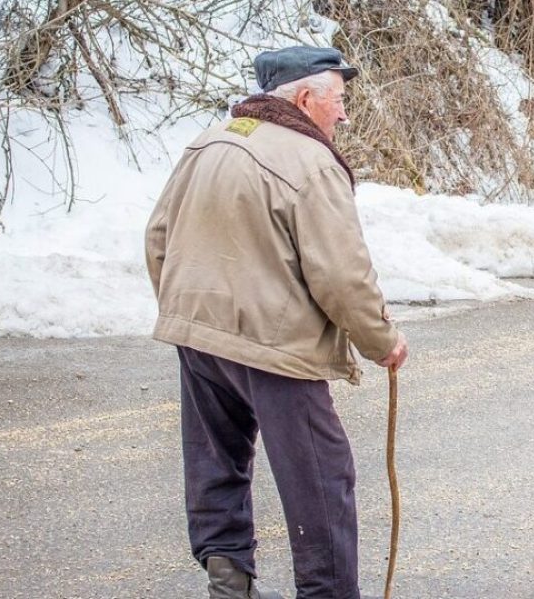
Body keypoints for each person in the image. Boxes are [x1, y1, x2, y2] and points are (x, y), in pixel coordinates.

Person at [144, 45, 409, 599]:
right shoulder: (310, 162)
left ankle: (228, 582)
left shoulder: (209, 142)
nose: (343, 114)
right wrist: (380, 341)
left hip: (197, 334)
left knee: (217, 461)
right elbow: (341, 276)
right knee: (321, 477)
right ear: (306, 96)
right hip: (273, 345)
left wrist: (189, 309)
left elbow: (158, 237)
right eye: (338, 99)